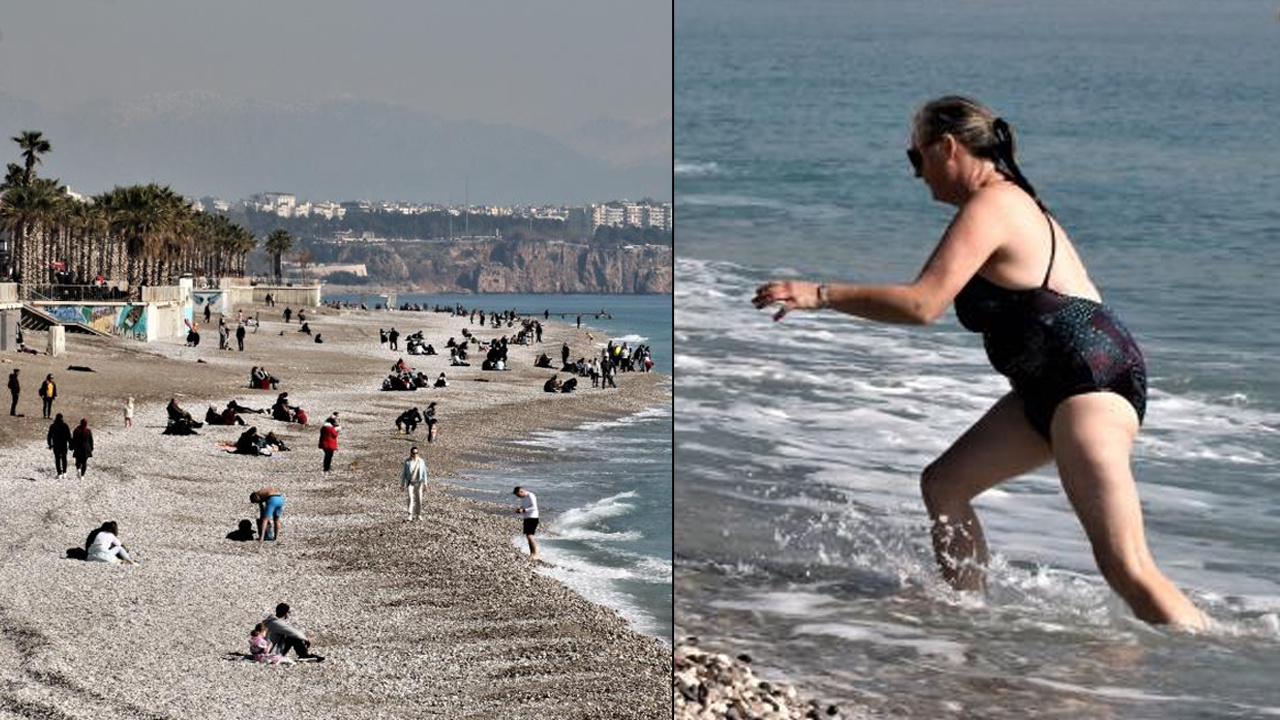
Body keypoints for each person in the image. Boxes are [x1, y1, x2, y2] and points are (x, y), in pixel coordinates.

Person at [750, 96, 1204, 629]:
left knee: (1126, 566)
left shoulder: (994, 205)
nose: (918, 176)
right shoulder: (1002, 203)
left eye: (916, 159)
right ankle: (965, 618)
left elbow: (924, 304)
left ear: (947, 147)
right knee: (945, 484)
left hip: (1088, 385)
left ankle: (1217, 667)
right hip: (1051, 387)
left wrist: (820, 294)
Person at [400, 446, 428, 522]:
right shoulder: (407, 462)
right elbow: (404, 474)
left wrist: (425, 484)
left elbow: (424, 473)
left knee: (419, 499)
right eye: (414, 453)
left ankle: (418, 514)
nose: (415, 454)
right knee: (410, 498)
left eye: (416, 452)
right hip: (410, 483)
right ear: (411, 453)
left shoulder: (421, 461)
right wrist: (402, 485)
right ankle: (410, 514)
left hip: (418, 483)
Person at [513, 486, 539, 560]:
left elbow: (534, 507)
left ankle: (534, 553)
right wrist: (520, 510)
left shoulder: (530, 495)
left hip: (533, 518)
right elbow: (524, 507)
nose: (518, 497)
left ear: (521, 491)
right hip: (527, 518)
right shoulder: (523, 498)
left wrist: (524, 510)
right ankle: (532, 553)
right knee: (528, 536)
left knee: (529, 535)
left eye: (518, 495)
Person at [47, 413, 71, 478]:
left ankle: (59, 473)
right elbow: (69, 436)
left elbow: (49, 436)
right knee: (64, 458)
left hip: (56, 445)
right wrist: (71, 444)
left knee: (57, 459)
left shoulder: (53, 426)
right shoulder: (65, 426)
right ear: (62, 418)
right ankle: (65, 472)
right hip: (63, 444)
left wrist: (50, 444)